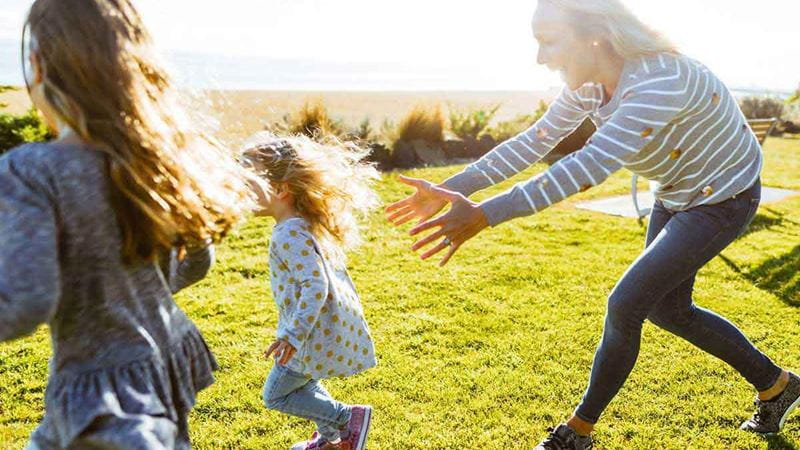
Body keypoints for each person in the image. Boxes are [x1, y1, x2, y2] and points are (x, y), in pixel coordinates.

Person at [385, 1, 799, 448]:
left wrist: (485, 215)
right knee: (666, 308)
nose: (541, 58)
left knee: (626, 304)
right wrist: (451, 186)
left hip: (724, 196)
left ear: (595, 35)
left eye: (549, 42)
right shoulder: (590, 85)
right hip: (678, 191)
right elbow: (533, 143)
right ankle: (777, 385)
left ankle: (577, 432)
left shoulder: (660, 80)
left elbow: (587, 166)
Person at [2, 0, 253, 447]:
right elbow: (197, 259)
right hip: (161, 363)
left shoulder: (31, 171)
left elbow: (26, 300)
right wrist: (127, 286)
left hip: (99, 396)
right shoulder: (153, 161)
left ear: (38, 65)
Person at [240, 134, 379, 450]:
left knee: (277, 393)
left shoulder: (288, 233)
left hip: (307, 333)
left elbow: (315, 285)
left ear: (280, 190)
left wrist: (292, 334)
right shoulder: (301, 223)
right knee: (307, 381)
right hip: (315, 330)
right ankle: (332, 441)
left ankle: (347, 418)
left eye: (249, 183)